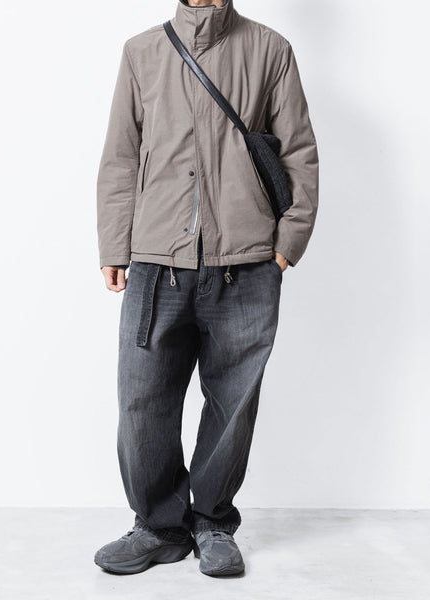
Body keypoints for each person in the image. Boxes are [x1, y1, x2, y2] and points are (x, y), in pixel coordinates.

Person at [95, 0, 318, 577]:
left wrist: (288, 241)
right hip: (155, 261)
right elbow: (120, 157)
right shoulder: (142, 51)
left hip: (247, 262)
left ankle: (213, 522)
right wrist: (115, 246)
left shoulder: (270, 49)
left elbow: (299, 151)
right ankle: (158, 527)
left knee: (232, 404)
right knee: (142, 402)